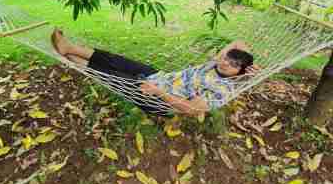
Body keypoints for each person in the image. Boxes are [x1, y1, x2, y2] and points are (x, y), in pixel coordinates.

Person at [51, 29, 257, 118]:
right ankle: (69, 49)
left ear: (238, 70)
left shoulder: (222, 90)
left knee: (111, 75)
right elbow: (238, 43)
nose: (225, 62)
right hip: (161, 77)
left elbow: (191, 110)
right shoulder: (217, 64)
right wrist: (249, 66)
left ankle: (71, 57)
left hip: (159, 99)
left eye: (233, 64)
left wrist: (158, 92)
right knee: (116, 60)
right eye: (227, 57)